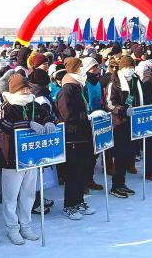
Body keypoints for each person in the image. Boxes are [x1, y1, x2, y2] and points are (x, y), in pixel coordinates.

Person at [0, 74, 53, 241]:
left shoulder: (33, 103)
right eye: (23, 88)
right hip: (12, 158)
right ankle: (12, 228)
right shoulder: (6, 105)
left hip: (31, 156)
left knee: (28, 194)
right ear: (15, 90)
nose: (27, 91)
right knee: (11, 196)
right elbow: (5, 125)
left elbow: (47, 114)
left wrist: (49, 121)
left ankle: (26, 225)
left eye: (28, 88)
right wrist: (28, 124)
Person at [56, 57, 99, 218]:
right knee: (73, 173)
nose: (83, 70)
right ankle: (69, 205)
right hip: (72, 136)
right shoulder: (67, 89)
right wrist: (87, 116)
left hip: (83, 135)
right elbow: (67, 114)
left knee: (82, 170)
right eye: (80, 67)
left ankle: (79, 201)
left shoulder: (78, 87)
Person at [106, 55, 141, 198]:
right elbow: (110, 104)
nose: (129, 70)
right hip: (119, 123)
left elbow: (137, 98)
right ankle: (116, 185)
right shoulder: (114, 83)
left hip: (132, 121)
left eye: (132, 67)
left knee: (128, 153)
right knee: (120, 155)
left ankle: (122, 183)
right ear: (121, 68)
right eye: (127, 67)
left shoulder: (135, 80)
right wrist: (122, 110)